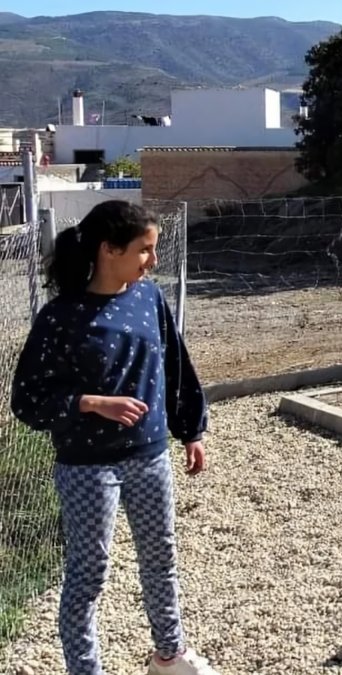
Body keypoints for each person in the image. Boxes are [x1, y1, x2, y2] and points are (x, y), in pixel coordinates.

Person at [11, 200, 219, 675]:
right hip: (87, 468)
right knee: (88, 577)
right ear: (109, 249)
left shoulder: (149, 300)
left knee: (161, 558)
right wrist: (90, 402)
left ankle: (170, 657)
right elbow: (27, 400)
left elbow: (175, 367)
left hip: (150, 457)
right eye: (144, 250)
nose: (152, 260)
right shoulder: (60, 318)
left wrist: (191, 429)